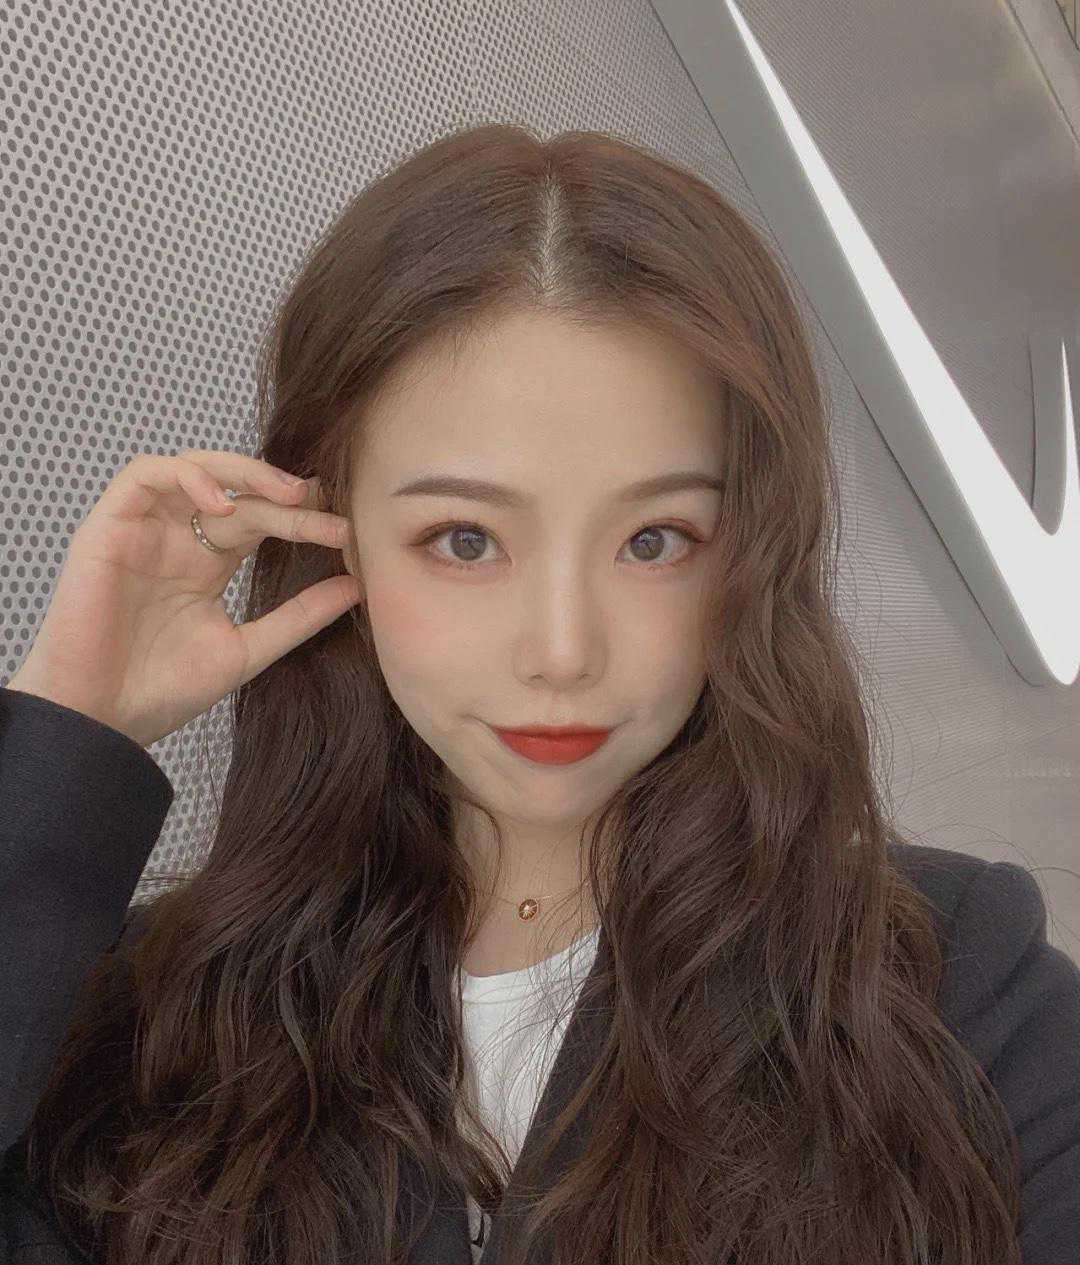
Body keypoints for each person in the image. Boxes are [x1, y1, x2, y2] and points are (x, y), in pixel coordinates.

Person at [1, 122, 1078, 1265]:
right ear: (332, 533)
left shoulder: (954, 990)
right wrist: (66, 741)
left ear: (751, 552)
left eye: (655, 539)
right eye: (465, 539)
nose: (563, 651)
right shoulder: (147, 1017)